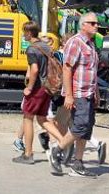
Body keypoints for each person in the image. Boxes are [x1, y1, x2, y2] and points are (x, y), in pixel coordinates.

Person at [49, 13, 100, 178]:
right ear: (83, 25)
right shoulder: (75, 42)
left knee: (86, 129)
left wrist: (97, 92)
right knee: (80, 126)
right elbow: (67, 68)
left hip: (89, 93)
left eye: (96, 23)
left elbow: (92, 71)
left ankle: (78, 162)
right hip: (78, 93)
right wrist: (69, 95)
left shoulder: (91, 45)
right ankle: (57, 150)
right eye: (92, 23)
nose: (96, 26)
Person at [13, 22, 64, 165]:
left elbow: (34, 70)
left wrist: (29, 88)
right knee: (42, 119)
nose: (24, 35)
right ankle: (63, 143)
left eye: (24, 33)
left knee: (28, 118)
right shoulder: (46, 47)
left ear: (29, 33)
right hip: (47, 87)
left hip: (37, 88)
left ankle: (28, 154)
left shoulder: (31, 49)